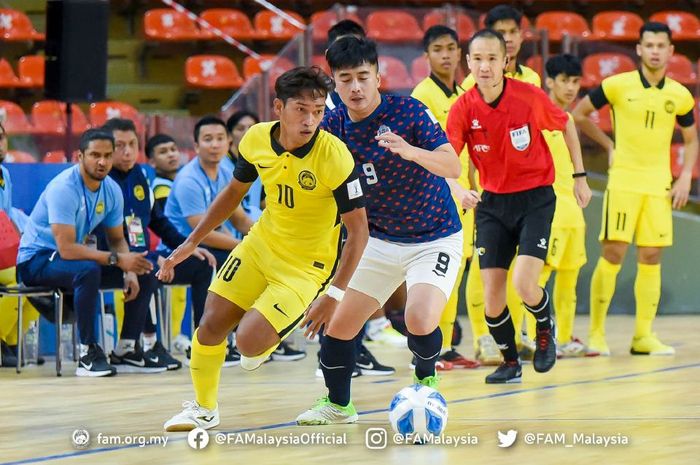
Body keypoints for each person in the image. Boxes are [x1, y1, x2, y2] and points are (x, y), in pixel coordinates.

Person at [161, 66, 368, 431]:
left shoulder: (334, 156)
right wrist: (191, 241)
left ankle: (265, 336)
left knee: (248, 344)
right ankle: (204, 409)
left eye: (318, 111)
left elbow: (359, 231)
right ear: (278, 107)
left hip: (306, 267)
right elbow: (233, 194)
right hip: (260, 246)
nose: (310, 120)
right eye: (301, 109)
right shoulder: (256, 139)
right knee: (209, 326)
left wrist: (334, 293)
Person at [296, 36, 470, 425]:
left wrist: (410, 151)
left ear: (378, 76)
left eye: (363, 77)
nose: (355, 87)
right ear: (334, 85)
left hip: (435, 235)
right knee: (338, 325)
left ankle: (426, 377)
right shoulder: (332, 127)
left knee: (420, 319)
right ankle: (339, 405)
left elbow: (452, 167)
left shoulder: (409, 111)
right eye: (345, 80)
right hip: (378, 240)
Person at [446, 30, 592, 384]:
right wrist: (458, 188)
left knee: (525, 284)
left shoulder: (528, 97)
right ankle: (510, 362)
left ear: (505, 62)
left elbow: (568, 123)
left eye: (492, 59)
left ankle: (544, 324)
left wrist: (580, 175)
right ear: (468, 63)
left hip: (535, 198)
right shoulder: (462, 108)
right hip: (493, 204)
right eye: (477, 59)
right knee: (493, 296)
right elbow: (446, 159)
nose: (484, 66)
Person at [572, 22, 697, 356]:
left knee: (652, 256)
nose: (655, 50)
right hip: (624, 181)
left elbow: (691, 137)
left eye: (661, 45)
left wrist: (684, 176)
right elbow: (579, 114)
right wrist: (608, 144)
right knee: (613, 253)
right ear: (639, 49)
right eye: (649, 45)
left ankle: (643, 336)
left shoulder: (680, 95)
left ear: (671, 52)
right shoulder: (616, 86)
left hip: (658, 185)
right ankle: (596, 335)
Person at [16, 129, 154, 377]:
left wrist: (128, 269)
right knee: (87, 271)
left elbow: (117, 239)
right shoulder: (63, 188)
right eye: (95, 155)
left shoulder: (111, 190)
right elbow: (66, 249)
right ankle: (87, 351)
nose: (102, 162)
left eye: (107, 156)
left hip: (72, 260)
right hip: (35, 260)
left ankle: (125, 350)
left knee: (144, 271)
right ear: (80, 156)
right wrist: (117, 260)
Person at [101, 118, 218, 372]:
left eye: (132, 144)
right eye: (120, 145)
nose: (128, 151)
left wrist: (187, 247)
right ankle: (139, 344)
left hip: (143, 255)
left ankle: (203, 343)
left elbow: (158, 221)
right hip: (110, 260)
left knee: (201, 264)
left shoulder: (140, 175)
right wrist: (150, 256)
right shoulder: (102, 180)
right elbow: (103, 236)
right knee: (149, 265)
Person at [461, 5, 542, 365]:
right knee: (485, 267)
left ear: (521, 38)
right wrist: (465, 184)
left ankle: (521, 332)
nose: (508, 37)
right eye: (500, 31)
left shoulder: (532, 82)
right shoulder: (473, 82)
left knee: (523, 268)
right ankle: (483, 337)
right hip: (483, 191)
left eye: (513, 31)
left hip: (525, 190)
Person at [322, 18, 398, 373]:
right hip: (334, 202)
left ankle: (355, 348)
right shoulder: (322, 105)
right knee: (341, 276)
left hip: (367, 201)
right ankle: (332, 356)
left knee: (360, 276)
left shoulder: (374, 98)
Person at [411, 25, 480, 370]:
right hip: (436, 195)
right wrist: (454, 188)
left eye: (452, 48)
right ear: (426, 56)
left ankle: (446, 346)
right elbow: (424, 154)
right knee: (436, 273)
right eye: (438, 49)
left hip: (464, 193)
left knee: (457, 269)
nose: (447, 55)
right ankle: (424, 350)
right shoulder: (422, 95)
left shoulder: (466, 93)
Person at [225, 110, 306, 363]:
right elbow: (234, 214)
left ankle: (271, 336)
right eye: (240, 128)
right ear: (230, 137)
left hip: (261, 232)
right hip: (241, 238)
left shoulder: (268, 156)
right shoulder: (231, 166)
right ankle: (249, 339)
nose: (246, 132)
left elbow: (265, 203)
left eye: (251, 127)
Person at [539, 54, 596, 357]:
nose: (571, 87)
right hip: (548, 209)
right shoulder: (535, 116)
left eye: (575, 81)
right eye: (564, 81)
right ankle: (534, 334)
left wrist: (581, 181)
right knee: (540, 275)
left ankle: (565, 336)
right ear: (550, 81)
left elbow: (576, 166)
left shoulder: (569, 120)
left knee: (571, 275)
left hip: (573, 209)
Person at [0, 121, 39, 367]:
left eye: (1, 137)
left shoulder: (4, 174)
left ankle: (11, 344)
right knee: (19, 281)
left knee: (37, 279)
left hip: (3, 249)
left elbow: (8, 215)